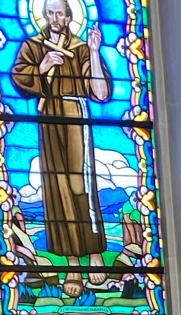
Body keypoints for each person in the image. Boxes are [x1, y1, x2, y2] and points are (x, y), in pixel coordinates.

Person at [11, 0, 111, 260]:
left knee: (81, 180)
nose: (54, 18)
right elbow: (19, 76)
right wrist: (42, 67)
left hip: (76, 115)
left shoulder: (80, 48)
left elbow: (101, 93)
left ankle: (94, 250)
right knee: (56, 185)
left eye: (60, 13)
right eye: (50, 13)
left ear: (69, 17)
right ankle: (71, 259)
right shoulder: (33, 46)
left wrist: (94, 51)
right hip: (49, 119)